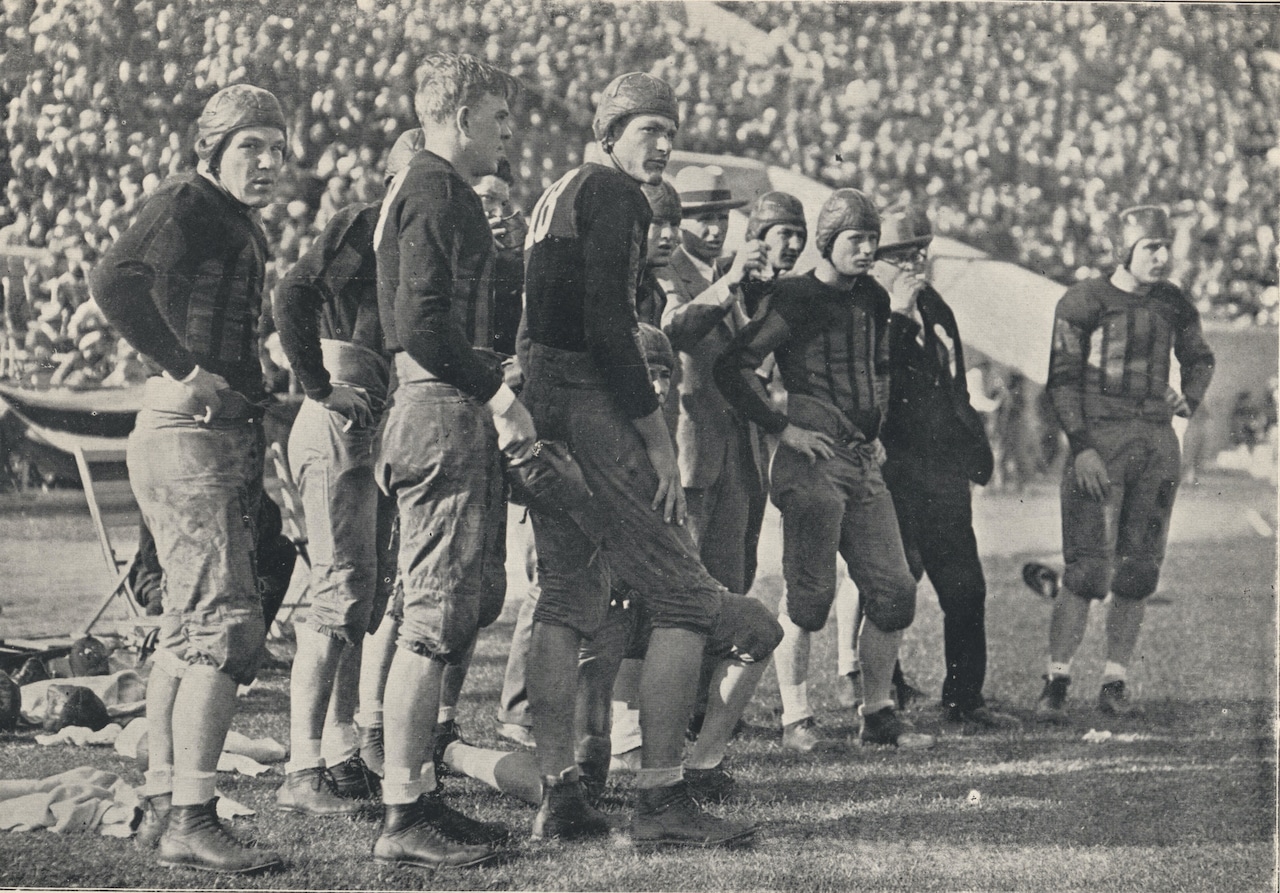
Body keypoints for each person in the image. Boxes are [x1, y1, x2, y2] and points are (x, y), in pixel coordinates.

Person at [520, 70, 758, 848]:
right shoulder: (616, 193)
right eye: (648, 129)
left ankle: (560, 793)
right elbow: (608, 327)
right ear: (609, 131)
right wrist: (656, 438)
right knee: (684, 594)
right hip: (591, 400)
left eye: (670, 131)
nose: (662, 145)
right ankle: (660, 799)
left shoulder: (559, 189)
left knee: (564, 595)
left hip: (546, 396)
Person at [91, 83, 289, 874]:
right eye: (251, 146)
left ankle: (163, 799)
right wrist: (185, 368)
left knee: (186, 628)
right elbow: (114, 280)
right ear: (211, 148)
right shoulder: (189, 199)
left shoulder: (229, 213)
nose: (268, 161)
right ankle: (192, 818)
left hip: (208, 434)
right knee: (225, 626)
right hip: (186, 434)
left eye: (277, 148)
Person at [372, 53, 535, 870]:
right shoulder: (437, 188)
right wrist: (499, 395)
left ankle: (420, 791)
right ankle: (404, 811)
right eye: (499, 117)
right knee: (433, 618)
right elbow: (423, 323)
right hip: (439, 407)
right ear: (462, 115)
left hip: (437, 403)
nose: (509, 132)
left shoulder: (432, 186)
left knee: (445, 609)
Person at [715, 188, 933, 751]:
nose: (867, 250)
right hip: (812, 461)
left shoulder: (874, 297)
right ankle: (796, 718)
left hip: (860, 459)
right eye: (855, 239)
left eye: (872, 240)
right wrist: (782, 427)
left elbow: (878, 369)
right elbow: (735, 366)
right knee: (809, 598)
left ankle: (878, 715)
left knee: (895, 591)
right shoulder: (794, 296)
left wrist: (874, 432)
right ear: (828, 241)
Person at [268, 131, 427, 817]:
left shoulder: (418, 237)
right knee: (337, 594)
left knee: (364, 596)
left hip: (377, 419)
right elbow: (291, 294)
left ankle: (338, 751)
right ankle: (302, 766)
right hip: (341, 414)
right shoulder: (366, 221)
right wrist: (320, 385)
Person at [1035, 205, 1214, 721]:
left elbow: (1200, 358)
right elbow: (1062, 379)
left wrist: (1189, 398)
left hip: (1156, 442)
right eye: (1150, 247)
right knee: (1088, 569)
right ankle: (1056, 680)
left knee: (1138, 570)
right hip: (1102, 439)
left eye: (1165, 247)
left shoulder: (1173, 302)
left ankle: (1115, 681)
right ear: (1124, 249)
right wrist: (1082, 446)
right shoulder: (1083, 300)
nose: (1161, 257)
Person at [871, 203, 1017, 731]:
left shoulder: (935, 305)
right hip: (891, 464)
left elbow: (954, 386)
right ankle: (881, 692)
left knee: (965, 586)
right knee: (894, 583)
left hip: (941, 469)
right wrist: (895, 315)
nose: (913, 264)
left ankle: (964, 697)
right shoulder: (865, 306)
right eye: (900, 255)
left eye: (920, 253)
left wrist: (970, 446)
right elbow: (873, 378)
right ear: (875, 258)